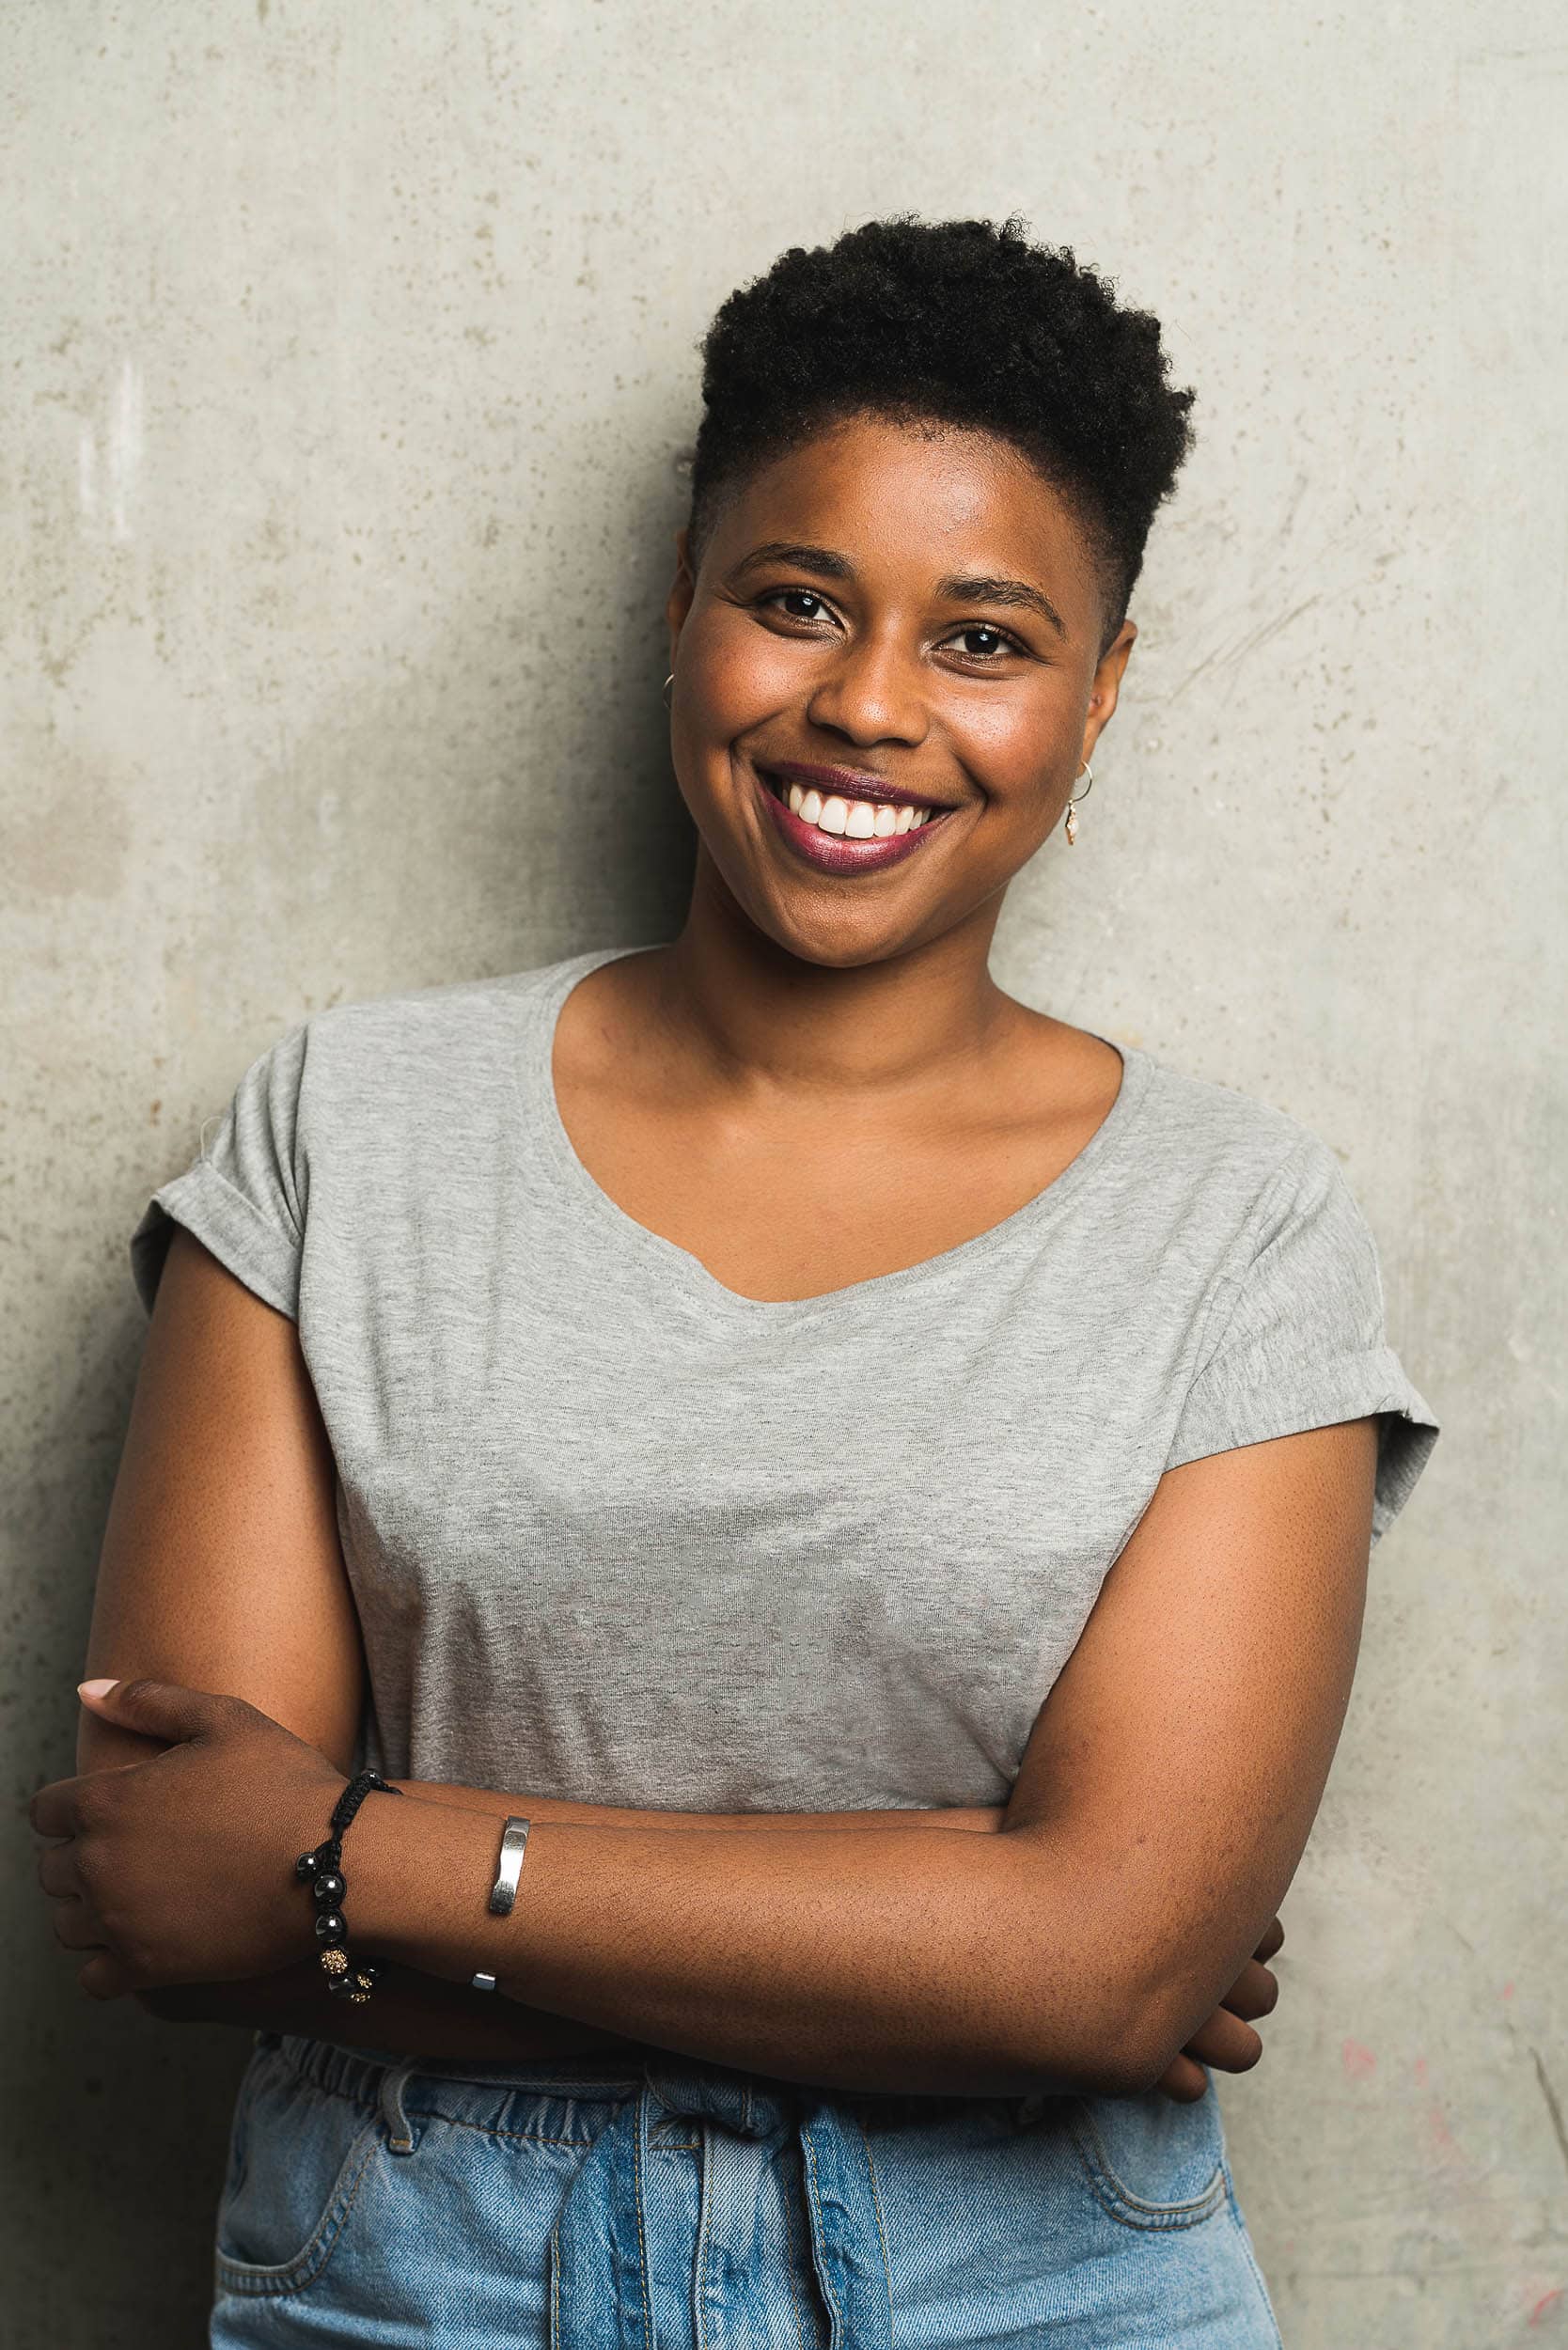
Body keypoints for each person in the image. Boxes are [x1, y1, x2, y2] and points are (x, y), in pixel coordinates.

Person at [33, 214, 1438, 2347]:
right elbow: (179, 1889)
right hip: (414, 2273)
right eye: (798, 602)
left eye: (985, 638)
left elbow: (1107, 1965)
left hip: (1033, 2284)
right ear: (680, 601)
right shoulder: (348, 1129)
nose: (867, 704)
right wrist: (970, 1948)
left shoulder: (1236, 1225)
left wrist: (348, 1849)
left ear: (1100, 691)